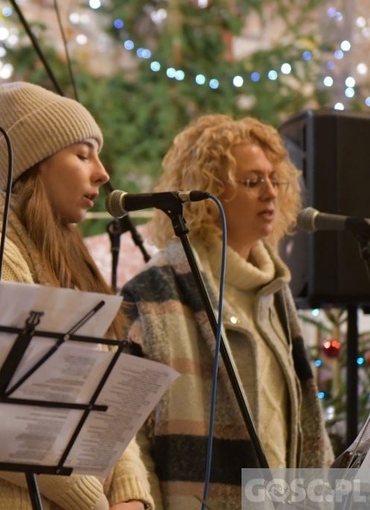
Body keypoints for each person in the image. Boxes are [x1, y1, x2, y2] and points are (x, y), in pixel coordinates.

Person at [0, 82, 153, 509]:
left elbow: (104, 401)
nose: (103, 172)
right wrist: (96, 501)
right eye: (82, 154)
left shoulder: (69, 257)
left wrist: (130, 492)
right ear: (36, 164)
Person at [117, 114, 334, 509]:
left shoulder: (274, 290)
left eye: (275, 179)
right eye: (252, 182)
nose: (270, 193)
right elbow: (127, 433)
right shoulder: (154, 292)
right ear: (208, 194)